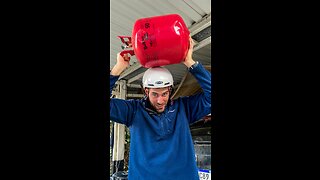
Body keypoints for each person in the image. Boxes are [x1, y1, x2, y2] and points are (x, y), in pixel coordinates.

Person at [110, 37, 211, 180]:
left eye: (164, 94)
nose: (160, 100)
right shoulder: (133, 111)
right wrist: (117, 69)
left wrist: (190, 62)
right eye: (155, 94)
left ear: (170, 90)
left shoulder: (184, 108)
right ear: (146, 91)